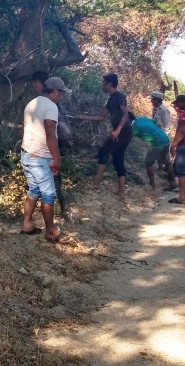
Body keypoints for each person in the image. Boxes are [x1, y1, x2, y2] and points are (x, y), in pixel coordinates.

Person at [20, 76, 73, 244]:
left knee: (33, 191)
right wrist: (56, 159)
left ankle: (27, 225)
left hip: (26, 154)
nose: (62, 97)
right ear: (55, 91)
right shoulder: (51, 107)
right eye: (61, 93)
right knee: (49, 194)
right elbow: (50, 133)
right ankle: (51, 231)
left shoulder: (32, 103)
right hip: (40, 157)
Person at [77, 73, 133, 202]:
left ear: (109, 83)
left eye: (104, 83)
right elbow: (101, 117)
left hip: (124, 131)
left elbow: (126, 115)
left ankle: (96, 183)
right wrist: (83, 117)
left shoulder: (119, 97)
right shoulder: (111, 99)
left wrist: (117, 130)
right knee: (118, 159)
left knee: (103, 152)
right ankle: (122, 193)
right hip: (122, 132)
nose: (102, 85)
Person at [30, 70, 71, 220]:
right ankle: (60, 212)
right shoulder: (52, 104)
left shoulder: (44, 104)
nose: (62, 96)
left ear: (38, 83)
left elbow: (51, 131)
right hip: (48, 149)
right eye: (62, 93)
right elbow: (65, 132)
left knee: (46, 187)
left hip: (45, 149)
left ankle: (53, 219)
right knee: (49, 184)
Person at [131, 115, 174, 190]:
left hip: (156, 144)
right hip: (165, 139)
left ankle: (152, 185)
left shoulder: (134, 127)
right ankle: (173, 182)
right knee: (168, 162)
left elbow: (128, 137)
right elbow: (158, 124)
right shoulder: (142, 118)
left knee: (148, 163)